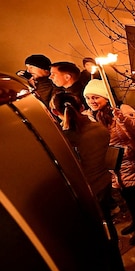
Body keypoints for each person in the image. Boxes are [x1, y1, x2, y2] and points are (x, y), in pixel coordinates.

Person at [83, 79, 135, 246]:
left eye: (96, 97)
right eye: (88, 98)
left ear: (106, 97)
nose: (92, 101)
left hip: (133, 163)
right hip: (115, 166)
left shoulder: (124, 111)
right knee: (127, 196)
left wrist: (122, 119)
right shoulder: (90, 116)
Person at [54, 92, 117, 240]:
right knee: (108, 222)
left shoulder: (65, 139)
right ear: (82, 107)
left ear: (55, 112)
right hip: (105, 182)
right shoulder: (99, 128)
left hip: (87, 190)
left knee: (95, 230)